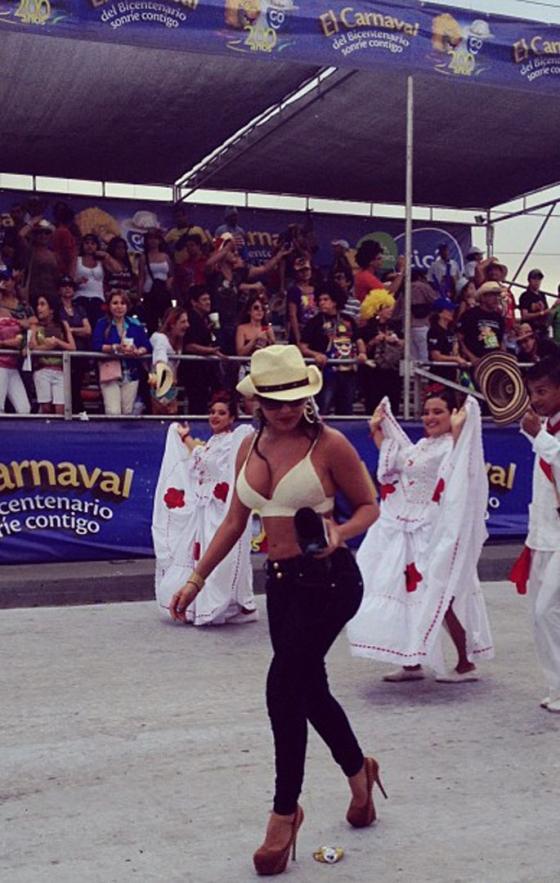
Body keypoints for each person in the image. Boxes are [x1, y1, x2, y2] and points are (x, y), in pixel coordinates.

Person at [168, 345, 382, 876]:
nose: (286, 410)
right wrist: (195, 579)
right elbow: (234, 522)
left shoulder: (329, 445)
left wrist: (340, 532)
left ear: (308, 396)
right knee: (309, 689)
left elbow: (371, 505)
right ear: (257, 401)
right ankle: (360, 773)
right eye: (274, 401)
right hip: (282, 586)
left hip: (331, 582)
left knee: (282, 688)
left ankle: (284, 815)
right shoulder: (249, 447)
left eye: (295, 399)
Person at [348, 390, 494, 682]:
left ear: (452, 415)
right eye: (426, 412)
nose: (430, 417)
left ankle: (465, 662)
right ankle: (411, 660)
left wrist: (460, 424)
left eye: (438, 411)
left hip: (434, 532)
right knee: (409, 593)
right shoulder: (422, 446)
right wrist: (377, 428)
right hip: (407, 530)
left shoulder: (454, 448)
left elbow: (458, 474)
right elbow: (395, 462)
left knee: (444, 595)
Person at [153, 392, 257, 626]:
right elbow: (199, 463)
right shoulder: (214, 441)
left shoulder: (234, 440)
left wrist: (188, 441)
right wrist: (188, 441)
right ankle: (202, 601)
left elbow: (207, 463)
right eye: (212, 412)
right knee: (201, 552)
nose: (215, 417)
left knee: (220, 550)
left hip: (219, 509)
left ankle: (229, 604)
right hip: (205, 507)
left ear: (231, 418)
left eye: (221, 413)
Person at [513, 357, 560, 712]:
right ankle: (556, 685)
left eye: (543, 391)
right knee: (537, 614)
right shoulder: (545, 429)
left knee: (547, 611)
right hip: (542, 533)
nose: (536, 399)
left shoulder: (547, 433)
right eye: (533, 392)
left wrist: (539, 436)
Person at [300, 289, 366, 415]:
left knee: (346, 409)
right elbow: (302, 346)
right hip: (326, 372)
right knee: (322, 408)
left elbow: (359, 340)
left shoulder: (348, 320)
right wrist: (315, 355)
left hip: (348, 372)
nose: (321, 303)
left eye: (326, 300)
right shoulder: (315, 322)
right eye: (319, 300)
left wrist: (362, 353)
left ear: (335, 301)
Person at [92, 290, 151, 416]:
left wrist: (138, 351)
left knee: (127, 412)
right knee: (113, 412)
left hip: (131, 372)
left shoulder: (135, 324)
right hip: (110, 373)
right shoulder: (102, 323)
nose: (119, 306)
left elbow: (147, 345)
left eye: (122, 303)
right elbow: (96, 345)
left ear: (127, 306)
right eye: (115, 303)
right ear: (109, 306)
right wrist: (115, 348)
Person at [29, 293, 76, 415]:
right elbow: (32, 346)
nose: (39, 308)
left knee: (60, 410)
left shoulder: (63, 324)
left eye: (42, 304)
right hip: (42, 370)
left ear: (51, 309)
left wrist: (57, 342)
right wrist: (46, 347)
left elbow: (72, 347)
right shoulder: (35, 326)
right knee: (46, 409)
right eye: (38, 305)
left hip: (60, 371)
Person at [360, 290, 403, 415]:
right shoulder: (368, 328)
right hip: (373, 373)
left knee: (393, 405)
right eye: (387, 307)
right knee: (373, 405)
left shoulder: (395, 326)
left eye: (391, 307)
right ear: (377, 309)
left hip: (392, 371)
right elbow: (363, 347)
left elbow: (404, 343)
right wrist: (375, 340)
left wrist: (397, 341)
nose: (390, 310)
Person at [182, 286, 224, 414]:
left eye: (209, 299)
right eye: (204, 299)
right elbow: (189, 345)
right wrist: (210, 350)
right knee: (197, 405)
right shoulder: (191, 319)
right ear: (194, 302)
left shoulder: (204, 318)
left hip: (205, 371)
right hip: (194, 371)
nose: (208, 302)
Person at [58, 274, 91, 413]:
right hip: (64, 351)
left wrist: (70, 329)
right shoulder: (57, 308)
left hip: (79, 351)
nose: (67, 289)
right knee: (67, 384)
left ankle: (78, 411)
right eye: (64, 286)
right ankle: (75, 411)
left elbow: (88, 330)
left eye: (70, 286)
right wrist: (78, 331)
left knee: (77, 383)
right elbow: (61, 330)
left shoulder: (79, 308)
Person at [149, 307, 189, 415]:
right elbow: (159, 361)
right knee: (161, 415)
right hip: (158, 383)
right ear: (172, 324)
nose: (187, 325)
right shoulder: (160, 338)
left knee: (171, 414)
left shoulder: (179, 342)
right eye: (183, 322)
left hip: (170, 384)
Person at [0, 275, 31, 414]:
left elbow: (25, 334)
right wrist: (7, 344)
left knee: (24, 409)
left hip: (12, 365)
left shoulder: (19, 313)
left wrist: (23, 344)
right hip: (0, 365)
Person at [458, 281, 506, 366]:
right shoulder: (470, 314)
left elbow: (501, 342)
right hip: (474, 364)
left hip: (493, 365)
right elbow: (459, 339)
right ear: (483, 297)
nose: (496, 298)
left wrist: (503, 359)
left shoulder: (499, 318)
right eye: (492, 295)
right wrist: (472, 357)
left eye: (498, 295)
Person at [138, 229, 174, 334]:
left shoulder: (166, 256)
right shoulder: (144, 257)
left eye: (155, 238)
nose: (153, 241)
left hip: (164, 291)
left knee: (166, 319)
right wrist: (139, 297)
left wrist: (169, 283)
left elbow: (171, 274)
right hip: (150, 292)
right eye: (150, 238)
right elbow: (141, 277)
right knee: (151, 321)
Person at [427, 296, 469, 383]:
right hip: (439, 375)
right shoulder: (434, 331)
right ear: (440, 313)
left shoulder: (450, 331)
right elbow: (435, 356)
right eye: (449, 310)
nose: (452, 312)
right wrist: (455, 359)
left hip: (452, 374)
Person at [74, 233, 106, 329]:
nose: (89, 246)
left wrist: (106, 255)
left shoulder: (101, 261)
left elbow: (117, 269)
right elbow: (70, 279)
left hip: (98, 299)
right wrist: (77, 281)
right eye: (87, 243)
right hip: (80, 297)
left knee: (98, 327)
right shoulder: (77, 260)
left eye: (93, 243)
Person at [519, 270, 556, 342]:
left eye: (539, 279)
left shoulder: (542, 295)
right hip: (530, 332)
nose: (537, 281)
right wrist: (541, 313)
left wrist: (553, 308)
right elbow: (524, 316)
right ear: (529, 280)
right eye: (534, 278)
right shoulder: (525, 296)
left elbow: (546, 311)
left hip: (543, 330)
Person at [235, 293, 276, 359]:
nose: (260, 310)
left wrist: (271, 340)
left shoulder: (267, 329)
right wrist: (255, 340)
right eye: (256, 308)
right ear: (249, 311)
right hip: (247, 365)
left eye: (262, 308)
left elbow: (274, 352)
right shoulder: (241, 328)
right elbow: (240, 352)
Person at [103, 236, 137, 302]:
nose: (121, 250)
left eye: (123, 248)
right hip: (110, 298)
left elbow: (133, 283)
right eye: (118, 248)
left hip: (126, 299)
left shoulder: (127, 266)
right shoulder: (107, 263)